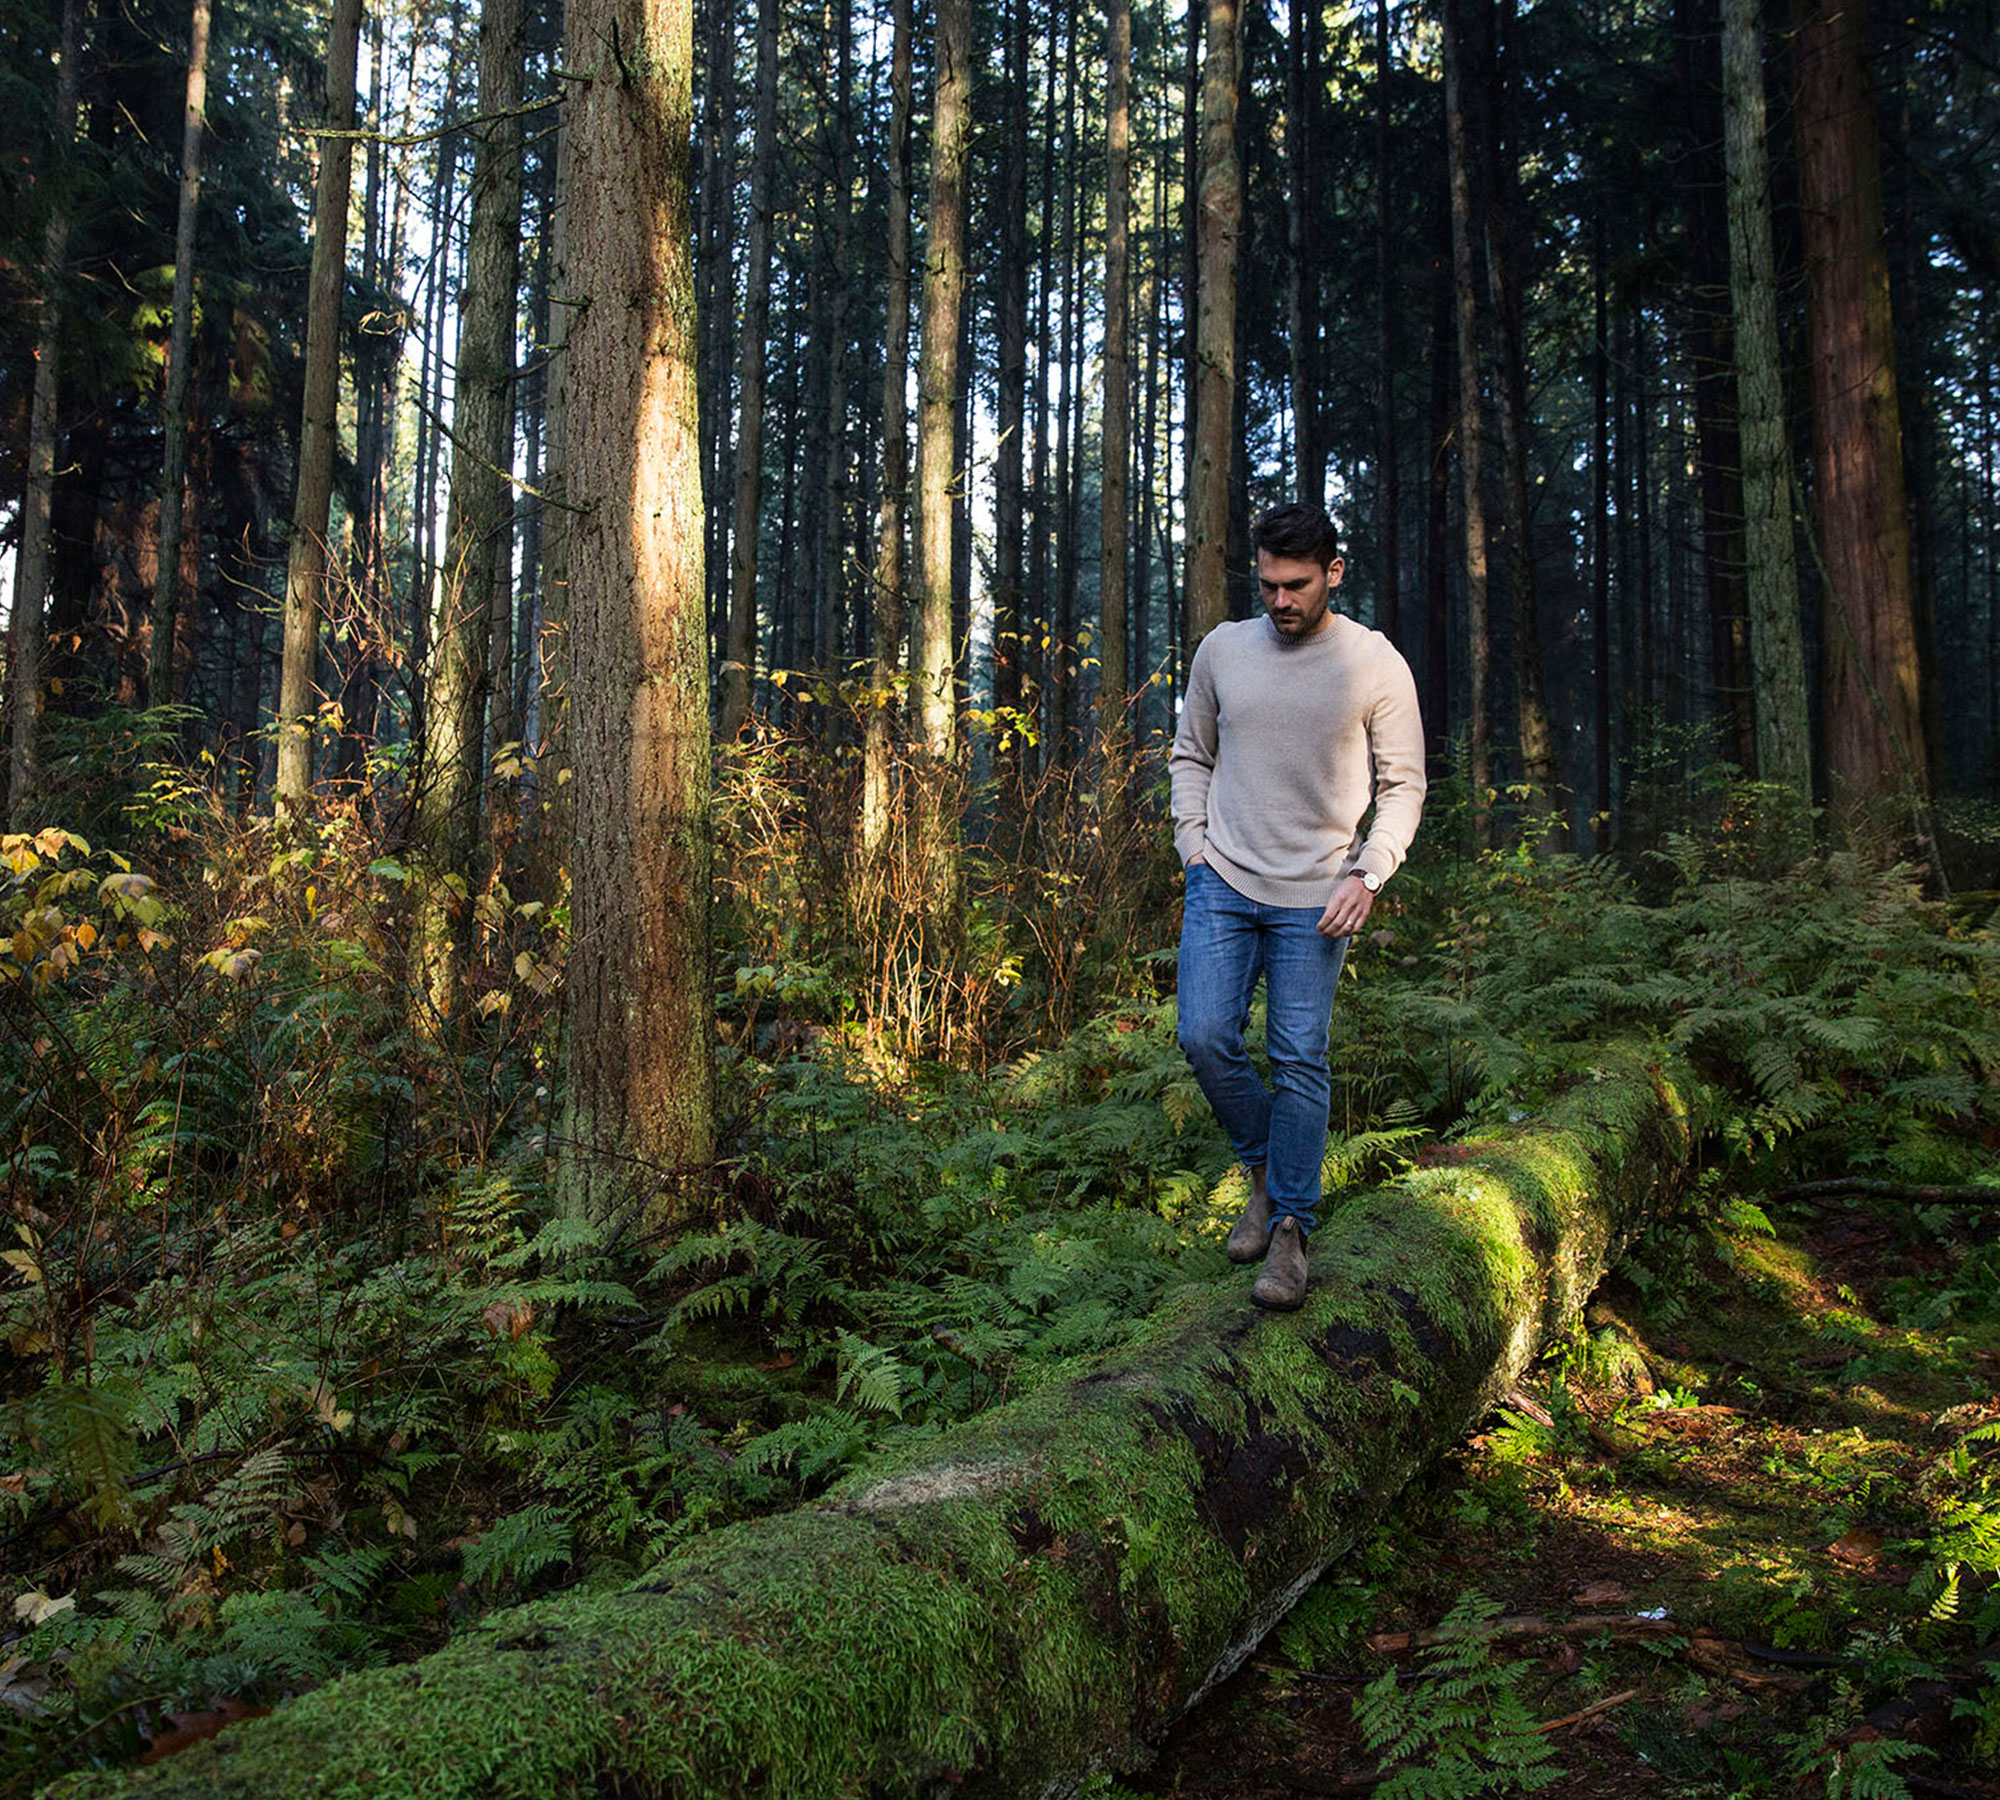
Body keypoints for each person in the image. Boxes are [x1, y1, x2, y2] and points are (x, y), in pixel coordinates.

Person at [1169, 503, 1426, 1309]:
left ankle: (1290, 1232)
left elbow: (1404, 785)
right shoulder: (1223, 650)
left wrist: (1369, 872)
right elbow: (1191, 755)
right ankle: (1267, 1173)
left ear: (1333, 574)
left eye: (1297, 585)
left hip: (1319, 893)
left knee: (1299, 1055)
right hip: (1224, 880)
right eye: (1269, 584)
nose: (1280, 600)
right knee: (1204, 1036)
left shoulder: (1376, 663)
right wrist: (1194, 850)